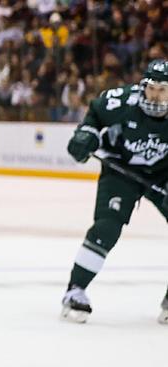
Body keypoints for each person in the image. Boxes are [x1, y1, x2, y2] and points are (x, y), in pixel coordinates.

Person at [63, 59, 168, 324]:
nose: (155, 95)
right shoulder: (120, 101)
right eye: (151, 88)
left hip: (162, 173)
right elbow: (94, 117)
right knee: (107, 226)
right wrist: (86, 136)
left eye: (163, 89)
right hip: (121, 170)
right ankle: (75, 291)